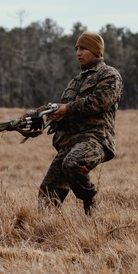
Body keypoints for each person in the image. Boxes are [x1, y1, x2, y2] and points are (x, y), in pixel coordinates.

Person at [38, 31, 123, 215]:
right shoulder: (75, 81)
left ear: (96, 50)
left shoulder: (109, 75)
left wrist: (67, 109)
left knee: (72, 164)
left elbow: (101, 101)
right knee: (47, 192)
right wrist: (54, 115)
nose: (78, 53)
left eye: (83, 48)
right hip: (71, 142)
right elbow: (67, 108)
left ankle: (90, 203)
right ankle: (46, 230)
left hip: (96, 139)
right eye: (76, 48)